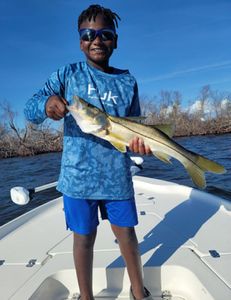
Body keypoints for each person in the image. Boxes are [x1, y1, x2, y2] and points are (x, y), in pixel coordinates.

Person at [24, 4, 152, 300]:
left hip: (117, 177)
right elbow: (31, 108)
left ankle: (138, 292)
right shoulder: (67, 74)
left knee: (127, 237)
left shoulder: (128, 81)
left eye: (105, 34)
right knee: (84, 239)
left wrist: (140, 146)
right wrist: (45, 105)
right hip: (76, 179)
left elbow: (135, 128)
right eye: (88, 34)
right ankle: (86, 296)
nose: (97, 40)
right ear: (80, 40)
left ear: (115, 40)